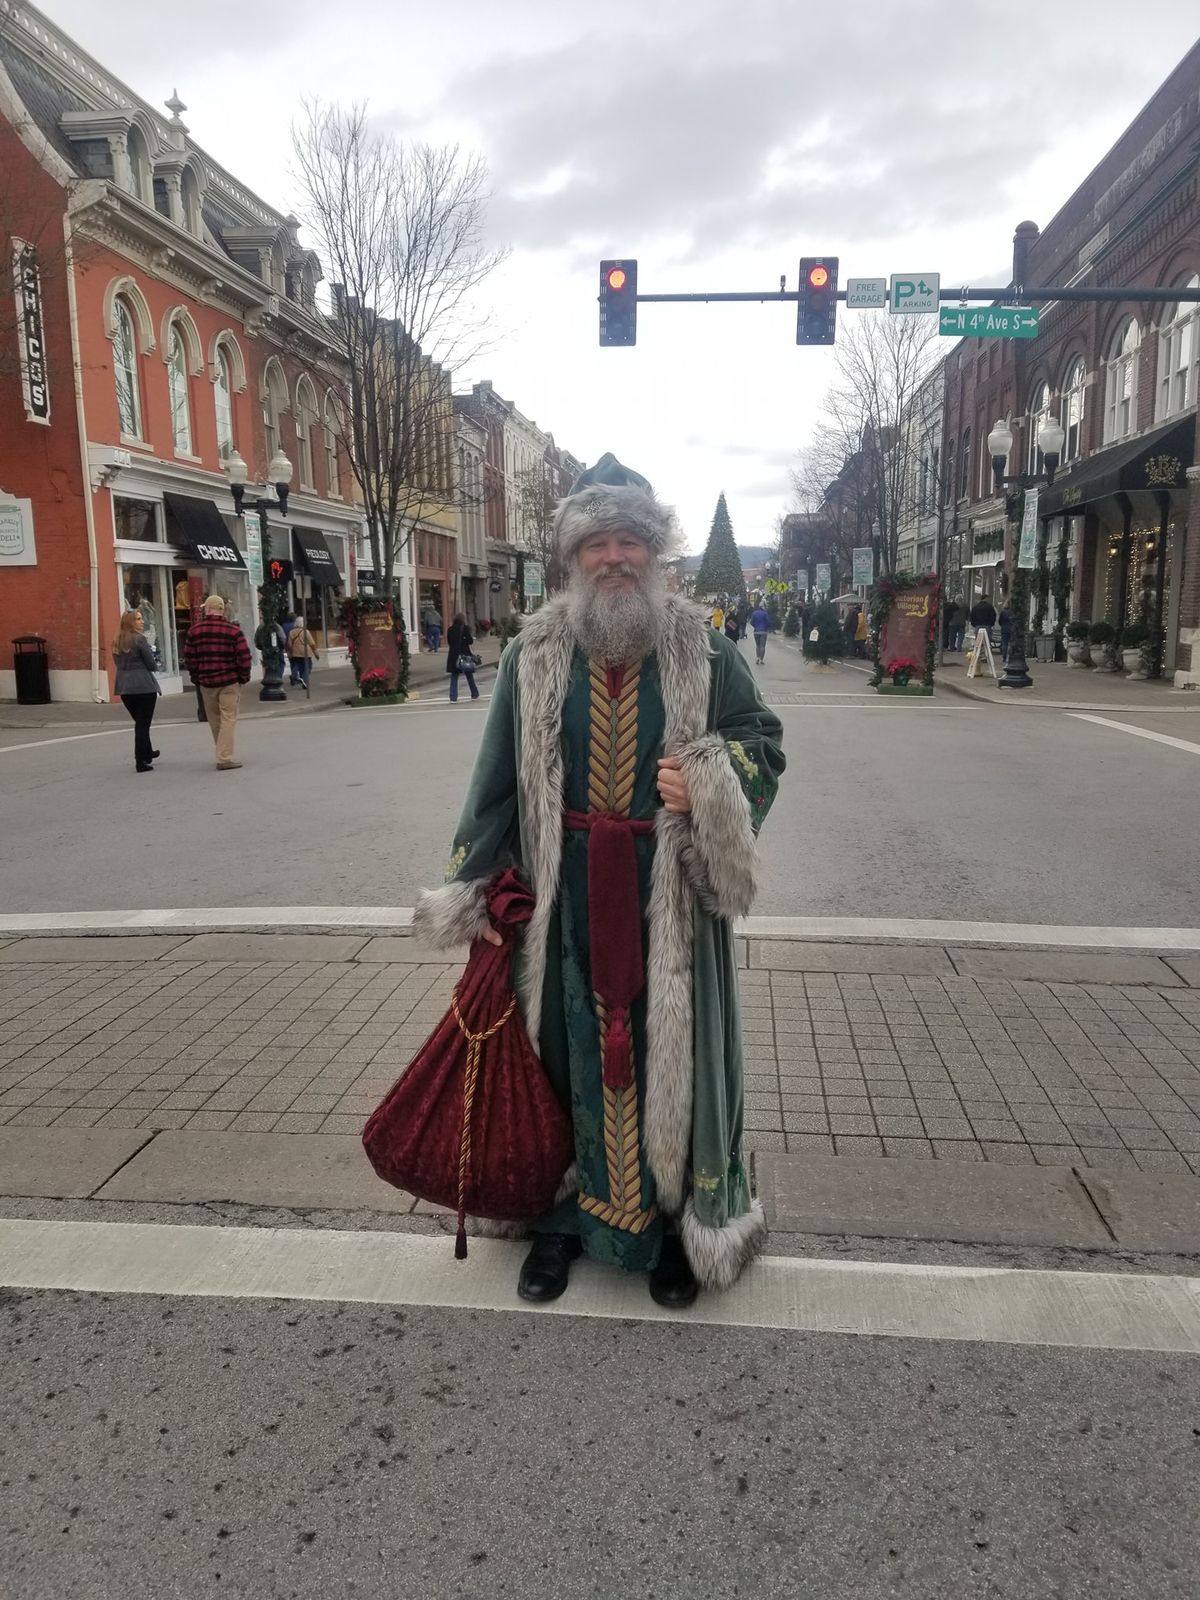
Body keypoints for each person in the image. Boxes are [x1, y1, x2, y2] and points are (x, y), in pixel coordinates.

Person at [414, 452, 784, 1309]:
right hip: (562, 898)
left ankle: (671, 1230)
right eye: (596, 545)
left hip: (674, 900)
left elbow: (763, 740)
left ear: (656, 556)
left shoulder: (704, 647)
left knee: (674, 1059)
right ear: (573, 560)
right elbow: (495, 780)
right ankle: (564, 1223)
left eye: (630, 543)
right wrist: (478, 891)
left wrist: (712, 780)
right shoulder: (532, 653)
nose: (614, 558)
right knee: (561, 1058)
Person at [183, 595, 252, 770]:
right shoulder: (233, 631)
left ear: (207, 609)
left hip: (206, 681)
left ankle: (222, 752)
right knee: (228, 718)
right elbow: (244, 656)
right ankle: (224, 757)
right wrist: (243, 677)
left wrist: (196, 677)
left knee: (214, 720)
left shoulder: (194, 631)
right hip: (229, 680)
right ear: (221, 610)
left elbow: (189, 658)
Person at [112, 609, 160, 773]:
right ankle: (141, 760)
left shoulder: (117, 640)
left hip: (124, 686)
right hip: (143, 685)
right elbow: (151, 664)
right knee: (143, 724)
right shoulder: (139, 640)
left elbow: (117, 663)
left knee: (140, 721)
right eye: (138, 619)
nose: (142, 622)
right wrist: (155, 663)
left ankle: (147, 752)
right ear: (131, 622)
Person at [445, 610, 481, 703]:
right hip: (464, 655)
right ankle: (474, 694)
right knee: (469, 675)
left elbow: (449, 642)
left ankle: (453, 697)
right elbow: (470, 641)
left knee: (454, 676)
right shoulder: (464, 628)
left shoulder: (450, 629)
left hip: (454, 655)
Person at [287, 616, 319, 688]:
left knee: (299, 666)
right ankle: (305, 682)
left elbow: (289, 644)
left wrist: (290, 652)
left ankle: (296, 675)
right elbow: (312, 644)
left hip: (295, 653)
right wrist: (316, 654)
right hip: (305, 653)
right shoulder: (306, 632)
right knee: (307, 668)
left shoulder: (291, 632)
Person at [749, 599, 771, 665]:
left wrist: (755, 626)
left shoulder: (754, 613)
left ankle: (757, 658)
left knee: (758, 646)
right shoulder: (765, 613)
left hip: (756, 631)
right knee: (762, 646)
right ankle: (761, 659)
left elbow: (751, 622)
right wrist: (766, 627)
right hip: (763, 631)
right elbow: (768, 622)